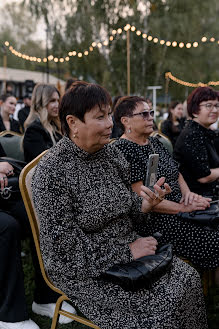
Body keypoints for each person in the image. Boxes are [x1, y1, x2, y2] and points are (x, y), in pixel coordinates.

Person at [31, 81, 208, 329]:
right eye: (100, 117)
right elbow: (63, 250)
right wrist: (126, 252)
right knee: (158, 314)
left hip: (131, 252)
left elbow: (128, 212)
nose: (109, 124)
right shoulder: (52, 172)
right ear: (73, 123)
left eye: (108, 115)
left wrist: (145, 205)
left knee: (188, 278)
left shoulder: (111, 155)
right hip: (86, 270)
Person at [112, 95, 219, 275]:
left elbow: (176, 172)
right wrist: (184, 208)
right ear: (126, 121)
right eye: (144, 114)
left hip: (180, 206)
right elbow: (144, 199)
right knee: (213, 237)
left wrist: (188, 195)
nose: (150, 117)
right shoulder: (124, 149)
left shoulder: (154, 142)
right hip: (158, 220)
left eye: (151, 113)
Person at [174, 87, 219, 198]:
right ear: (194, 111)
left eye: (217, 105)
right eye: (209, 105)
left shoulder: (205, 131)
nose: (215, 110)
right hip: (196, 201)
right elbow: (204, 177)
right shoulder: (192, 134)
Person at [23, 84, 62, 163]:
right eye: (52, 101)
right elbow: (46, 164)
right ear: (41, 103)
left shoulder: (55, 126)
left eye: (58, 100)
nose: (57, 105)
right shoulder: (33, 130)